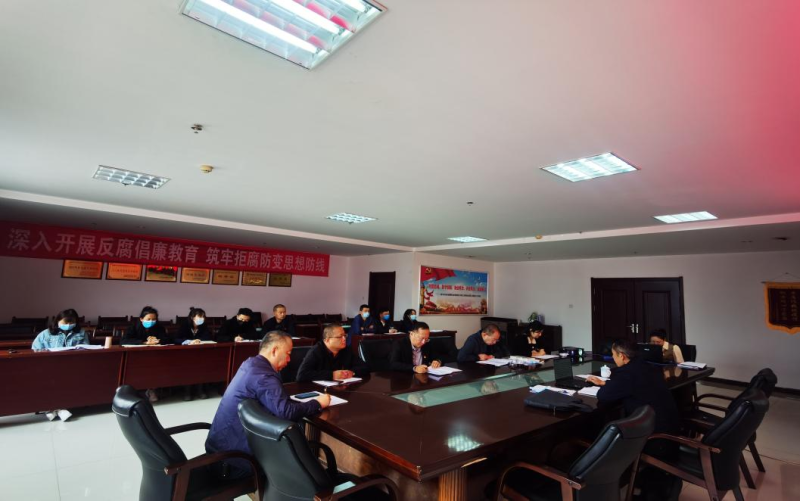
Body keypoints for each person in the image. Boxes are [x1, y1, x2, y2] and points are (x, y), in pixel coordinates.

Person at [205, 331, 330, 480]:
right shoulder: (264, 376)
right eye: (288, 353)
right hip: (233, 461)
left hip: (219, 450)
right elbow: (286, 412)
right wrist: (318, 402)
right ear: (275, 351)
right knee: (295, 464)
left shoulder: (251, 363)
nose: (289, 359)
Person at [587, 339, 683, 499]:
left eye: (613, 355)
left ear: (622, 356)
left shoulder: (626, 374)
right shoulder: (648, 367)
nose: (613, 359)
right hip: (671, 429)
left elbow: (603, 396)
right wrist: (607, 383)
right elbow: (633, 385)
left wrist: (606, 386)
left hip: (657, 439)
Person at [31, 309, 90, 421]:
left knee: (69, 378)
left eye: (71, 322)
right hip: (49, 365)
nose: (68, 325)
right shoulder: (45, 333)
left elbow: (86, 349)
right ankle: (59, 408)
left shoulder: (81, 333)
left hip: (72, 365)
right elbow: (35, 349)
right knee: (52, 378)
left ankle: (54, 409)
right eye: (65, 322)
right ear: (57, 321)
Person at [121, 306, 170, 402]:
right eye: (148, 319)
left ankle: (151, 389)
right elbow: (124, 341)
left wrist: (158, 341)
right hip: (136, 356)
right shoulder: (133, 327)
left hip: (155, 356)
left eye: (154, 319)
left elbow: (168, 339)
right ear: (141, 319)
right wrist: (144, 343)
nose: (151, 321)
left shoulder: (159, 327)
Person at [296, 323, 370, 382]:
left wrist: (352, 372)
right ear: (327, 340)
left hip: (342, 389)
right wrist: (332, 375)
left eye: (345, 335)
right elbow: (301, 375)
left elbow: (365, 367)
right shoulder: (316, 351)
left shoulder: (346, 350)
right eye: (340, 337)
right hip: (320, 391)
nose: (344, 339)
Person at [175, 307, 214, 400]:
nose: (202, 319)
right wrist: (189, 341)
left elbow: (208, 338)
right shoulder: (184, 326)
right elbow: (176, 339)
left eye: (203, 317)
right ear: (192, 317)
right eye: (200, 316)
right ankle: (187, 391)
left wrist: (199, 340)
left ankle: (200, 390)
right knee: (188, 367)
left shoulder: (204, 326)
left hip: (201, 353)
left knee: (202, 366)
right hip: (185, 353)